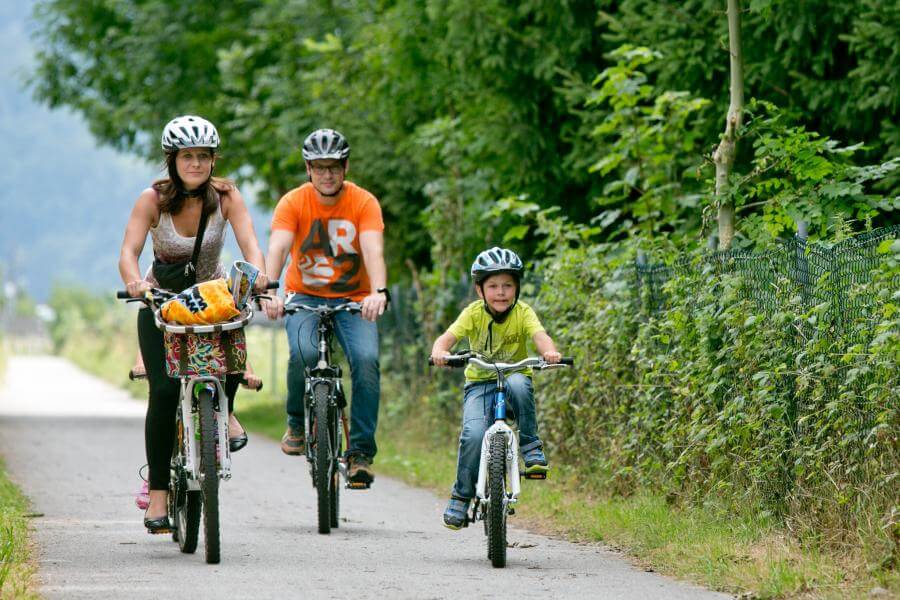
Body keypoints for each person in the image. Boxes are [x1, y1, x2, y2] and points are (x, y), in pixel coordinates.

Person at [119, 115, 268, 533]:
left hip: (213, 300)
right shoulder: (152, 200)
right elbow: (128, 251)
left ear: (213, 159)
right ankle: (159, 497)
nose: (196, 164)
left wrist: (259, 275)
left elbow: (251, 244)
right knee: (165, 391)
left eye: (204, 156)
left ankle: (227, 410)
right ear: (173, 160)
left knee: (233, 345)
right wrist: (134, 282)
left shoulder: (226, 197)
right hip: (163, 304)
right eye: (188, 156)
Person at [264, 128, 388, 486]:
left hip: (354, 299)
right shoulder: (293, 202)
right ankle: (296, 424)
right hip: (304, 296)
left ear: (345, 167)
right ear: (308, 169)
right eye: (319, 167)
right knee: (303, 353)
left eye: (334, 166)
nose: (327, 174)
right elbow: (278, 248)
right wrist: (270, 290)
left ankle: (360, 453)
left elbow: (373, 250)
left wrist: (378, 291)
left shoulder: (363, 202)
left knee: (366, 360)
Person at [430, 247, 561, 530]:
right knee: (474, 434)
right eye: (493, 286)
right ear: (480, 290)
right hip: (480, 383)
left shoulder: (523, 312)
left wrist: (549, 352)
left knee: (519, 383)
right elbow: (446, 339)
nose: (500, 292)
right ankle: (461, 496)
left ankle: (531, 446)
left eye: (507, 286)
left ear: (516, 288)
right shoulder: (472, 313)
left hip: (514, 377)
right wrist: (440, 351)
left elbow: (540, 336)